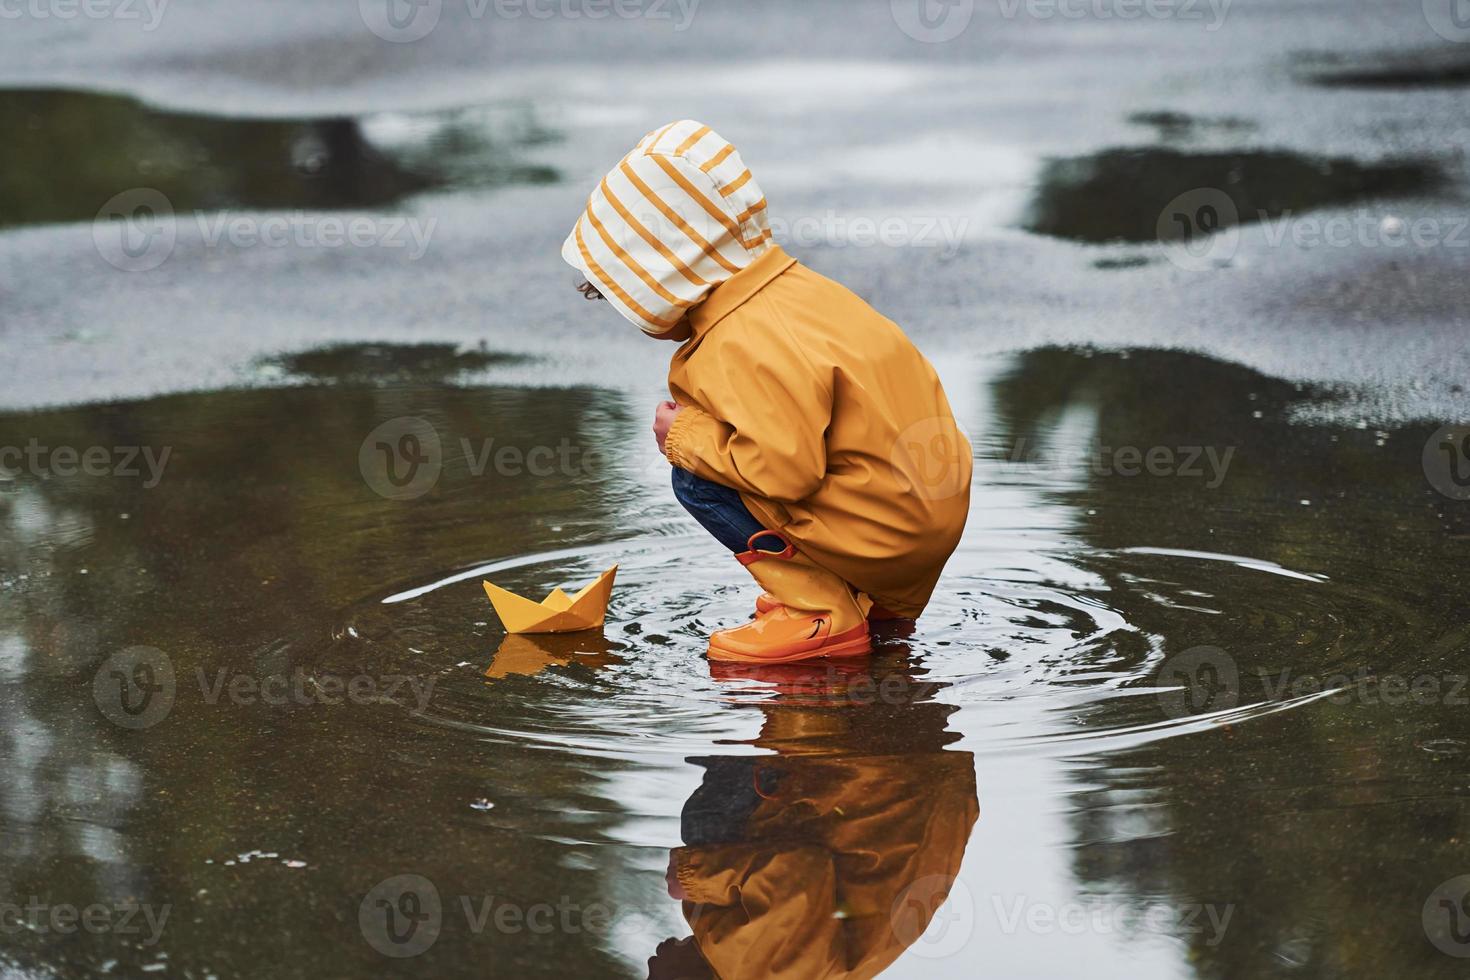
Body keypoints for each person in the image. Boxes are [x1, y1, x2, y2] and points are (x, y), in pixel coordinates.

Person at [562, 120, 970, 663]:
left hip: (888, 533)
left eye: (617, 287)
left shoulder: (741, 338)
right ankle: (870, 603)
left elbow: (785, 470)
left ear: (660, 266)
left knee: (696, 479)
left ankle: (818, 613)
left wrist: (682, 434)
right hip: (921, 518)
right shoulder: (798, 292)